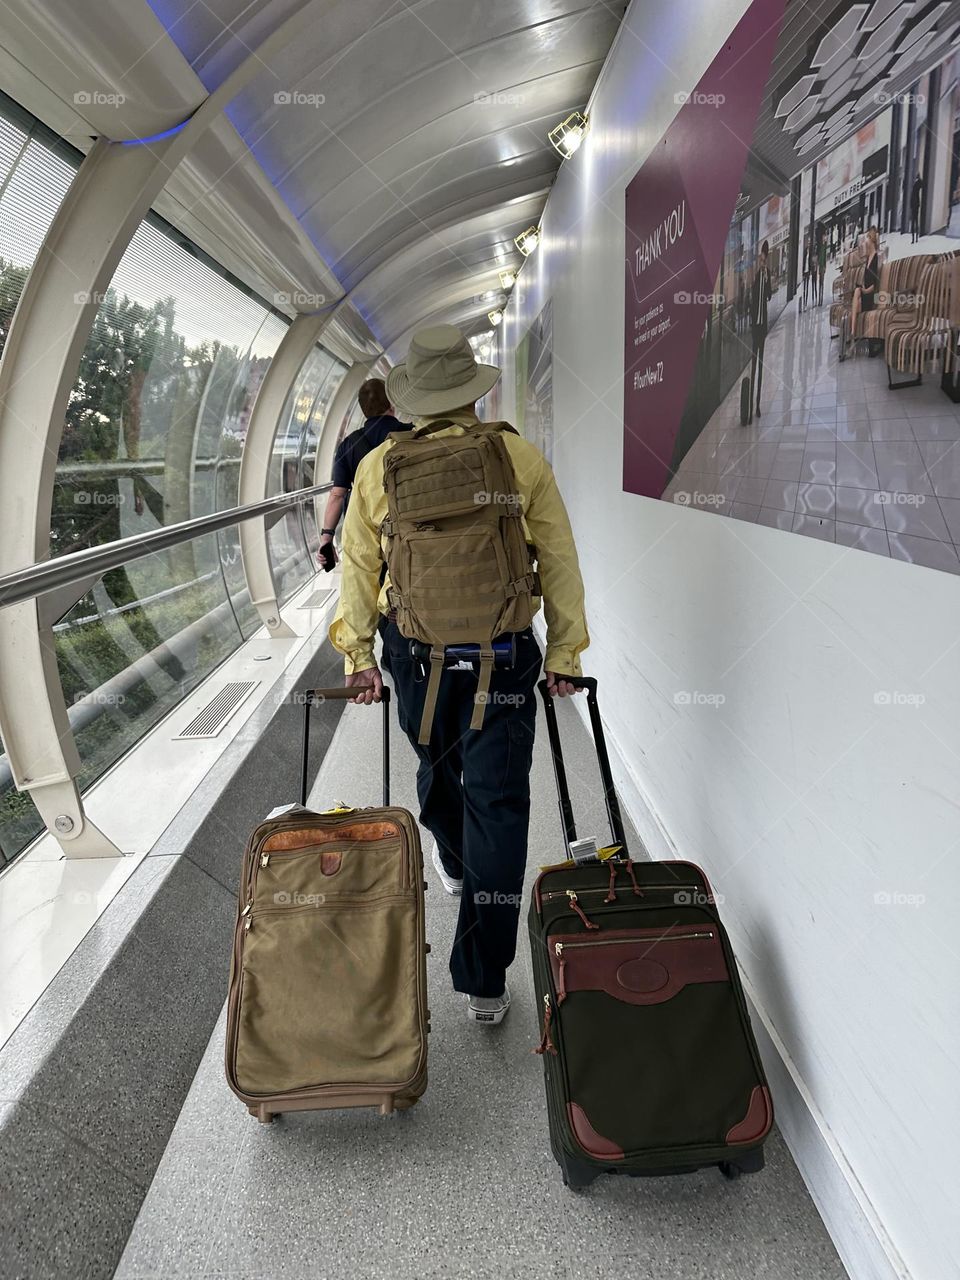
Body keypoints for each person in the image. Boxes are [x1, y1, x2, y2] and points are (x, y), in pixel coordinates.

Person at [330, 324, 589, 1026]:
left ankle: (452, 856)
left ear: (412, 398)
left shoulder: (379, 468)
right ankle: (483, 980)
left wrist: (358, 657)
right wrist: (564, 655)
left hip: (416, 659)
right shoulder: (517, 456)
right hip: (501, 655)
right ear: (472, 391)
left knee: (436, 775)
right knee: (499, 807)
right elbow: (559, 559)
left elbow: (359, 568)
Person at [317, 378, 411, 571]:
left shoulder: (348, 445)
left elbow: (337, 495)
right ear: (392, 403)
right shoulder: (412, 434)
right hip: (408, 527)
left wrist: (326, 537)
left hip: (368, 534)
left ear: (363, 410)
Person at [749, 240, 772, 419]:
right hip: (754, 326)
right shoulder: (755, 276)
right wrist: (758, 276)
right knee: (753, 365)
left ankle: (757, 404)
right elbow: (752, 295)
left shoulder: (765, 275)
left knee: (761, 364)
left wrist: (766, 277)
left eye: (763, 260)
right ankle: (749, 405)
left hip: (762, 324)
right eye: (760, 260)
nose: (761, 263)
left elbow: (769, 296)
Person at [848, 225, 880, 355]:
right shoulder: (868, 259)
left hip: (871, 294)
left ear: (871, 241)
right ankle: (852, 334)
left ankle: (852, 335)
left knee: (857, 292)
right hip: (865, 294)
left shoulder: (876, 258)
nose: (864, 244)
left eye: (866, 239)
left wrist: (865, 290)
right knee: (856, 291)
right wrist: (862, 289)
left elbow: (874, 285)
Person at [910, 174, 924, 244]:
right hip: (916, 205)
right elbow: (922, 185)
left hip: (914, 205)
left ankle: (914, 238)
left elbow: (912, 196)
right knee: (915, 221)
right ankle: (915, 238)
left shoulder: (916, 184)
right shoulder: (917, 184)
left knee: (914, 221)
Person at [816, 223, 827, 306]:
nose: (825, 238)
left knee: (821, 282)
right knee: (819, 281)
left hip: (822, 266)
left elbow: (825, 256)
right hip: (819, 265)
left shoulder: (824, 246)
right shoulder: (820, 246)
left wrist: (825, 266)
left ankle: (821, 298)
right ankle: (819, 297)